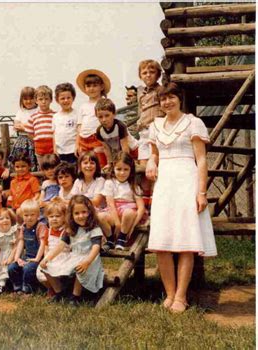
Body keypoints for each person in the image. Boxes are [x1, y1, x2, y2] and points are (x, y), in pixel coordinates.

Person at [146, 83, 217, 313]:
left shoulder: (193, 122)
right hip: (164, 184)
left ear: (179, 98)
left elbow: (202, 160)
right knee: (162, 242)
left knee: (186, 240)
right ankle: (168, 294)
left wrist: (202, 192)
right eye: (163, 99)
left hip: (187, 181)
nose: (167, 102)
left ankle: (181, 296)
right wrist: (150, 161)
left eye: (171, 98)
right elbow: (154, 154)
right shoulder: (155, 125)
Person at [40, 195, 104, 306]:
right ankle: (60, 292)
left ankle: (75, 296)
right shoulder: (70, 229)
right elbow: (60, 245)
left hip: (90, 258)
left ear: (90, 212)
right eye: (77, 213)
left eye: (84, 212)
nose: (81, 216)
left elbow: (96, 248)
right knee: (46, 267)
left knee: (79, 268)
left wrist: (87, 262)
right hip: (74, 256)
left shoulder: (94, 228)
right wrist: (47, 258)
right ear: (71, 215)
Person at [98, 152, 147, 252]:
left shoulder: (133, 185)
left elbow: (141, 207)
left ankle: (122, 238)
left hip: (128, 215)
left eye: (126, 169)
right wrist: (117, 224)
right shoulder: (109, 183)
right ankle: (110, 240)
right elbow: (110, 204)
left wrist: (133, 225)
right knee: (100, 216)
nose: (122, 173)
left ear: (131, 170)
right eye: (119, 169)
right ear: (113, 168)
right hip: (114, 213)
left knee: (128, 212)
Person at [137, 60, 165, 209]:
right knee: (143, 169)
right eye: (144, 72)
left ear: (158, 74)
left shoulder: (160, 90)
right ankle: (145, 203)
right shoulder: (140, 92)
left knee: (155, 167)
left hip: (155, 130)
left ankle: (156, 200)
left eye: (152, 72)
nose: (148, 75)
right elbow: (141, 110)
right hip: (143, 132)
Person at [8, 199, 47, 294]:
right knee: (12, 267)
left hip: (38, 257)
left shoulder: (40, 226)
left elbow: (43, 243)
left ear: (38, 215)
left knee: (28, 268)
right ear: (22, 216)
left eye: (32, 215)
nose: (29, 218)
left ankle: (28, 288)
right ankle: (17, 287)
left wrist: (37, 258)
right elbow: (21, 242)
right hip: (27, 257)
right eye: (26, 215)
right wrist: (17, 258)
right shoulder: (23, 227)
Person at [75, 69, 111, 166]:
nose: (92, 88)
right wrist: (77, 144)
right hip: (83, 139)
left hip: (98, 138)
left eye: (95, 85)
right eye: (88, 86)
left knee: (100, 164)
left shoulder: (105, 103)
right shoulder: (83, 106)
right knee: (85, 164)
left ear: (101, 86)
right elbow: (79, 126)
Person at [36, 201, 70, 295]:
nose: (54, 219)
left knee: (58, 272)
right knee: (41, 273)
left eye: (58, 216)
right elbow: (46, 247)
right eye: (51, 216)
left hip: (64, 257)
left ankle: (61, 290)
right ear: (47, 218)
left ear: (64, 217)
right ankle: (52, 288)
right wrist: (46, 259)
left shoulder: (66, 231)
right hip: (50, 257)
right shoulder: (48, 231)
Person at [95, 98, 139, 170]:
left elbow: (125, 147)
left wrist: (125, 163)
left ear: (114, 114)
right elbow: (107, 148)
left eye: (107, 115)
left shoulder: (120, 126)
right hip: (119, 152)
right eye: (100, 117)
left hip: (133, 150)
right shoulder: (99, 131)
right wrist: (110, 163)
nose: (104, 119)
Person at [8, 86, 38, 171]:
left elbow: (36, 126)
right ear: (22, 100)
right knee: (19, 158)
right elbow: (16, 126)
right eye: (25, 99)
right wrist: (29, 126)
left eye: (31, 98)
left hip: (33, 139)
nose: (28, 101)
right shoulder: (21, 111)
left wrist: (24, 127)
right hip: (21, 140)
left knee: (33, 160)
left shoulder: (38, 111)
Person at [25, 85, 56, 166]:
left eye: (46, 99)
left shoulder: (56, 116)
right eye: (40, 99)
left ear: (51, 100)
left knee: (54, 168)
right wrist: (37, 141)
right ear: (36, 101)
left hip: (53, 148)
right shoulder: (33, 117)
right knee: (43, 170)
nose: (43, 102)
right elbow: (30, 134)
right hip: (39, 149)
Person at [52, 83, 79, 164]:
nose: (66, 100)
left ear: (73, 98)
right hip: (60, 152)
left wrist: (77, 146)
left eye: (68, 98)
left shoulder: (77, 114)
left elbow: (79, 132)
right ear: (57, 100)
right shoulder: (55, 116)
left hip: (73, 151)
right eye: (62, 98)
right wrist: (54, 148)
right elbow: (54, 133)